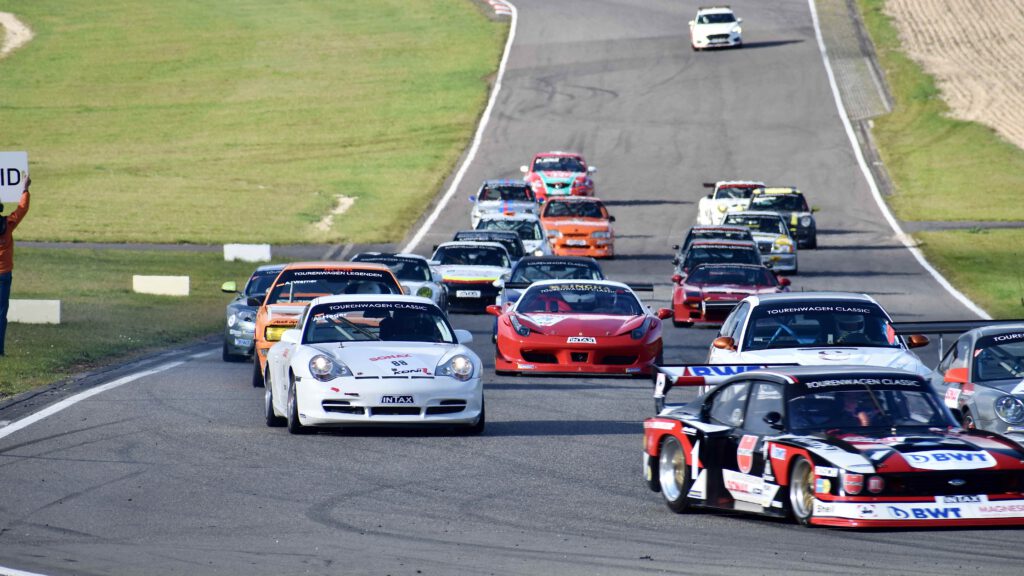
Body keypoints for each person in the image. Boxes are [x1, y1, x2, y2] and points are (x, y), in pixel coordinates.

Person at [0, 176, 31, 356]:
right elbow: (22, 208)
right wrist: (24, 189)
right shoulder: (8, 223)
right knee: (1, 313)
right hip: (4, 274)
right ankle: (0, 350)